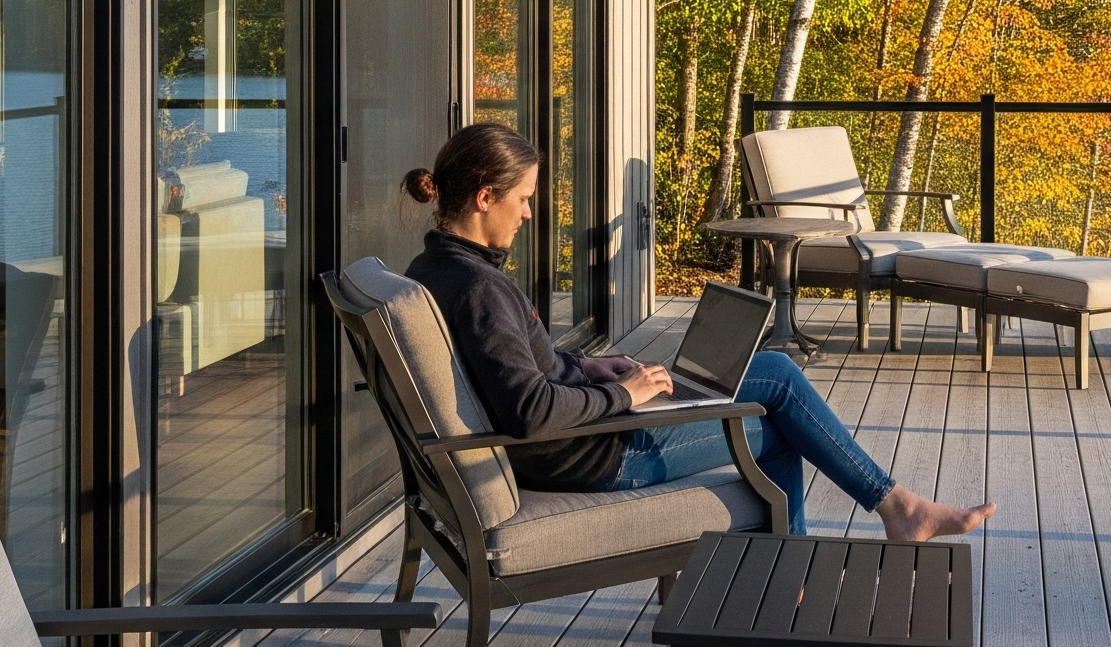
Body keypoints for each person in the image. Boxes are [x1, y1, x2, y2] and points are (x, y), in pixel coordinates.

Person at [402, 123, 992, 542]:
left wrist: (586, 367)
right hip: (591, 452)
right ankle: (871, 526)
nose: (529, 213)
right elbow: (528, 411)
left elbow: (514, 364)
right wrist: (624, 396)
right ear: (486, 198)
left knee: (773, 380)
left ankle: (874, 523)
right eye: (525, 200)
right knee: (779, 407)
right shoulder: (480, 289)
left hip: (580, 430)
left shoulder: (436, 269)